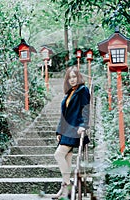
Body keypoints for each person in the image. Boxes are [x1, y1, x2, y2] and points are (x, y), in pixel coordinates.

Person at [52, 66, 90, 199]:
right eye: (69, 78)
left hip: (75, 129)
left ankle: (68, 185)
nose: (72, 80)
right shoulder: (69, 93)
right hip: (66, 130)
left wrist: (83, 125)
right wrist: (59, 131)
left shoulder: (83, 90)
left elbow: (85, 109)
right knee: (66, 160)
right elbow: (63, 115)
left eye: (74, 77)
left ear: (78, 77)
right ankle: (64, 188)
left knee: (58, 154)